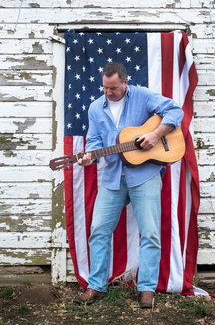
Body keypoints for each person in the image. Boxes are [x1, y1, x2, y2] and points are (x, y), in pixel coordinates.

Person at [74, 62, 184, 308]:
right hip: (112, 178)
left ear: (125, 82)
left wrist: (155, 135)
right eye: (105, 88)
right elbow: (93, 141)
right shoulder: (95, 108)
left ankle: (146, 289)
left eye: (113, 88)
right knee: (99, 230)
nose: (109, 93)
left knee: (150, 233)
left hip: (144, 176)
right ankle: (96, 286)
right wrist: (89, 157)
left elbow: (175, 110)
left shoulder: (142, 96)